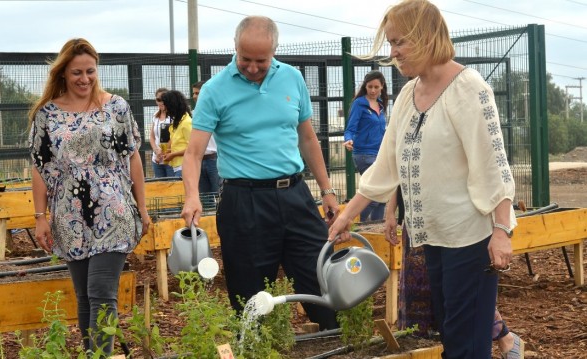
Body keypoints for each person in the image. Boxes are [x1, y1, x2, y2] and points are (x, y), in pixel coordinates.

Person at [328, 1, 523, 357]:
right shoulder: (407, 95)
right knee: (452, 333)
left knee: (467, 342)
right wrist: (347, 214)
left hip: (470, 237)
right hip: (432, 238)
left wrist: (500, 231)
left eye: (400, 42)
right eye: (390, 44)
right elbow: (385, 166)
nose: (394, 53)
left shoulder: (469, 88)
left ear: (427, 37)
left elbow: (494, 165)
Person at [181, 15, 340, 330]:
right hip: (244, 200)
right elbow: (194, 152)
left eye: (261, 61)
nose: (252, 68)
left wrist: (327, 190)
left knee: (319, 272)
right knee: (249, 289)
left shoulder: (292, 79)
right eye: (245, 59)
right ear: (235, 48)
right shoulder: (214, 90)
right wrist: (191, 196)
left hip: (295, 194)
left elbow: (307, 138)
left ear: (275, 51)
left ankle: (335, 337)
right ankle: (254, 344)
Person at [28, 38, 149, 356]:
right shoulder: (48, 115)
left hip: (114, 212)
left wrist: (144, 209)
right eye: (77, 73)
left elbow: (133, 157)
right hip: (70, 217)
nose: (84, 79)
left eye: (90, 72)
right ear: (63, 74)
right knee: (84, 295)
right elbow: (40, 167)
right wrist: (40, 218)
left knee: (100, 291)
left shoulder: (115, 107)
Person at [385, 189, 523, 358]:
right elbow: (394, 170)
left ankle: (504, 337)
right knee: (426, 298)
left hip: (452, 221)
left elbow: (498, 181)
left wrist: (501, 229)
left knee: (458, 293)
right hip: (418, 220)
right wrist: (390, 210)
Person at [343, 70, 388, 222]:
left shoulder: (381, 105)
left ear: (382, 86)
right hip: (364, 155)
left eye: (376, 87)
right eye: (370, 87)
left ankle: (376, 229)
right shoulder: (359, 104)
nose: (373, 90)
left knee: (382, 196)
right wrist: (348, 139)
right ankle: (356, 222)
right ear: (365, 86)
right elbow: (350, 128)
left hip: (379, 154)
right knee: (374, 195)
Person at [192, 80, 221, 209]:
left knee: (218, 193)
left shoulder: (217, 111)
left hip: (213, 159)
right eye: (194, 93)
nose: (194, 96)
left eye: (198, 93)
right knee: (204, 197)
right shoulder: (192, 114)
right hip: (199, 159)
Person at [161, 90, 192, 177]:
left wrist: (173, 154)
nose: (164, 109)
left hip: (184, 167)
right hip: (177, 167)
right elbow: (182, 145)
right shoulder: (177, 122)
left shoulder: (187, 123)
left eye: (166, 105)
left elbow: (192, 149)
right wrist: (170, 151)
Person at [149, 87, 174, 177]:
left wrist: (164, 151)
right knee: (160, 186)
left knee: (172, 187)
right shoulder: (155, 115)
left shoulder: (174, 116)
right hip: (157, 159)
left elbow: (175, 136)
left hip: (170, 158)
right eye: (159, 100)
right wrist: (156, 150)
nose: (162, 102)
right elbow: (152, 137)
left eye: (164, 99)